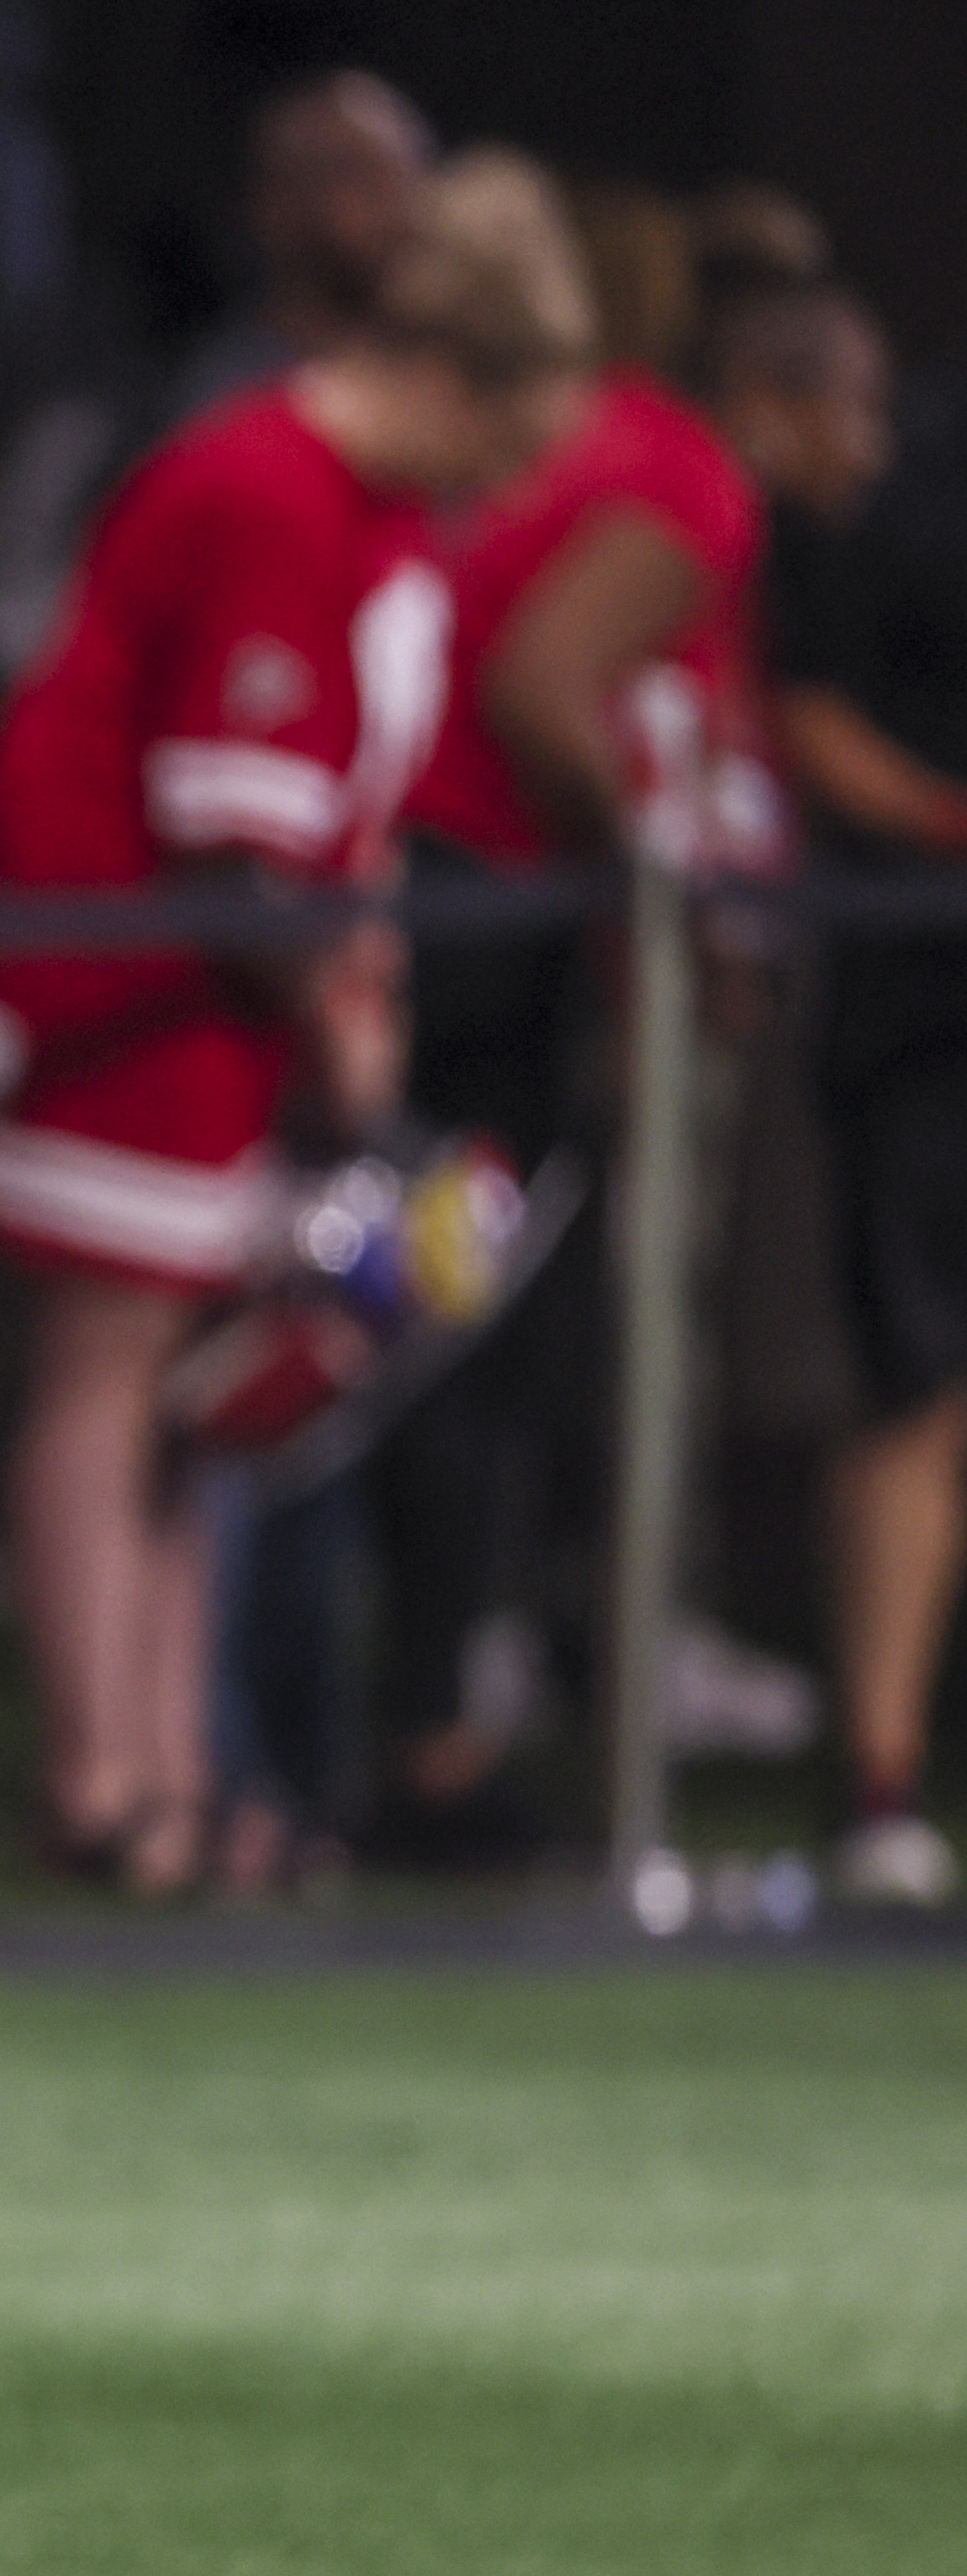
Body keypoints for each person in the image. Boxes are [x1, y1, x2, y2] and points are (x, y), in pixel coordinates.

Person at [0, 153, 594, 1897]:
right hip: (122, 983)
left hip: (215, 996)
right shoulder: (263, 485)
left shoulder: (366, 509)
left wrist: (354, 981)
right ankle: (105, 1780)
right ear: (450, 381)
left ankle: (176, 1773)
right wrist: (342, 1008)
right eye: (498, 444)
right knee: (109, 1373)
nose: (494, 491)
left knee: (198, 1403)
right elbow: (230, 823)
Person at [366, 218, 791, 1861]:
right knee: (471, 1332)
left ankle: (432, 1701)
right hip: (493, 944)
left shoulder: (573, 465)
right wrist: (670, 892)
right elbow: (551, 685)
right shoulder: (678, 474)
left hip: (451, 930)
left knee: (434, 1327)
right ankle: (444, 1726)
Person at [755, 281, 967, 1905]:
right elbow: (807, 713)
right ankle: (879, 1776)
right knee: (917, 1392)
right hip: (920, 1008)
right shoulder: (905, 476)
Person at [0, 72, 433, 685]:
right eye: (357, 177)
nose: (400, 206)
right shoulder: (211, 409)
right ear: (274, 206)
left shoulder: (439, 398)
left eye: (411, 175)